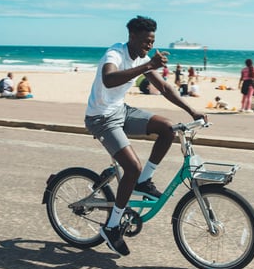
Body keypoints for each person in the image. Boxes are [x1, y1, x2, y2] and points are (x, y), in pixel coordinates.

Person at [84, 16, 206, 256]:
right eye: (146, 41)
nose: (149, 46)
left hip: (121, 110)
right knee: (131, 167)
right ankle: (112, 227)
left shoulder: (141, 58)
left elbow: (164, 88)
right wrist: (149, 65)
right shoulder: (115, 54)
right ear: (132, 37)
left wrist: (191, 110)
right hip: (100, 118)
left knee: (168, 129)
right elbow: (109, 79)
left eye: (152, 42)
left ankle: (144, 182)